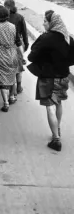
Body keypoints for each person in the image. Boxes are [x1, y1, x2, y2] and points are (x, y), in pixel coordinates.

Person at [27, 11, 70, 152]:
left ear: (52, 23)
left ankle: (56, 139)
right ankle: (57, 129)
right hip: (63, 76)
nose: (43, 23)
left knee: (50, 106)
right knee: (58, 102)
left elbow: (32, 57)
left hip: (48, 78)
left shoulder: (45, 38)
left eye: (45, 21)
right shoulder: (67, 38)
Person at [0, 6, 21, 112]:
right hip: (12, 53)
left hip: (0, 54)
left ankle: (6, 102)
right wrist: (21, 55)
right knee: (11, 75)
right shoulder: (13, 26)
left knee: (2, 79)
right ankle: (12, 97)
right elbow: (18, 42)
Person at [4, 0, 29, 96]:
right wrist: (26, 45)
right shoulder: (20, 17)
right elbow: (24, 32)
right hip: (18, 44)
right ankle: (19, 86)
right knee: (19, 67)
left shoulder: (3, 18)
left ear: (7, 7)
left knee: (10, 67)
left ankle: (12, 89)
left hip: (7, 44)